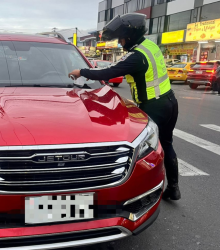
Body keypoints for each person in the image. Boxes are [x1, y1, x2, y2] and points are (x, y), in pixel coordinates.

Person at [68, 13, 181, 200]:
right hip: (170, 102)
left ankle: (144, 192)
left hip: (154, 106)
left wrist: (82, 71)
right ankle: (174, 188)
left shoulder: (137, 56)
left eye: (121, 38)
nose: (120, 43)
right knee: (167, 144)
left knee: (147, 150)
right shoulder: (150, 46)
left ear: (129, 36)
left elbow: (110, 72)